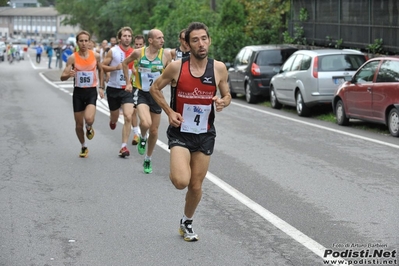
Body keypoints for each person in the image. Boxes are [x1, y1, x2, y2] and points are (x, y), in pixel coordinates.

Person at [149, 22, 231, 241]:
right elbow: (154, 88)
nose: (201, 44)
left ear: (209, 40)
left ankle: (186, 222)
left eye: (204, 38)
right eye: (195, 40)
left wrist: (223, 102)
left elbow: (227, 95)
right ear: (188, 43)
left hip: (205, 134)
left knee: (196, 185)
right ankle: (177, 168)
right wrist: (168, 111)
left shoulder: (219, 68)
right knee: (180, 181)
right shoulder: (177, 67)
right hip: (181, 133)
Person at [122, 29, 172, 174]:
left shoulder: (166, 54)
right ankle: (143, 137)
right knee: (146, 123)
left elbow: (171, 72)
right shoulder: (139, 53)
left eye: (163, 37)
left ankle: (148, 158)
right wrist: (128, 82)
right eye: (159, 38)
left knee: (155, 130)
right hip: (142, 93)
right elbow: (125, 64)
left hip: (157, 95)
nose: (162, 40)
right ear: (150, 40)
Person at [60, 30, 103, 158]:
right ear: (77, 42)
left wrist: (101, 87)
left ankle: (89, 127)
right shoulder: (72, 57)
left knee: (89, 119)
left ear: (89, 42)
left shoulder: (96, 55)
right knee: (78, 125)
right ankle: (84, 146)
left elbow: (101, 70)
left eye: (86, 41)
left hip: (91, 91)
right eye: (81, 41)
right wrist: (69, 74)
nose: (84, 43)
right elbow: (62, 77)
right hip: (78, 92)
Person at [101, 27, 135, 158]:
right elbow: (102, 67)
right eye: (124, 36)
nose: (127, 38)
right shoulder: (113, 51)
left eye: (129, 36)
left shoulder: (135, 53)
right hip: (113, 88)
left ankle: (123, 146)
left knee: (128, 116)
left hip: (127, 89)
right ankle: (113, 120)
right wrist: (115, 68)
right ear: (120, 38)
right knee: (115, 116)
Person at [130, 34, 146, 146]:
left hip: (145, 88)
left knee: (143, 114)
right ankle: (136, 133)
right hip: (134, 86)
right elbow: (127, 66)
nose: (138, 46)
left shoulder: (147, 55)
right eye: (136, 45)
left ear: (144, 45)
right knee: (133, 111)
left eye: (140, 44)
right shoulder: (132, 54)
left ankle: (143, 133)